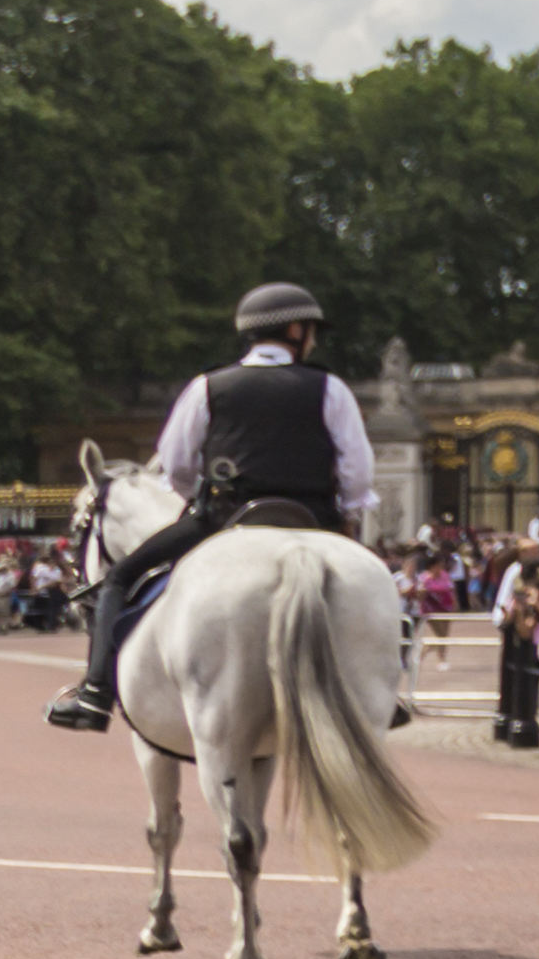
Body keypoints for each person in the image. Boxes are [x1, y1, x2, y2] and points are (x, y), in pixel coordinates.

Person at [45, 281, 379, 731]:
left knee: (119, 579)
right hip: (313, 521)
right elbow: (357, 470)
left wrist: (197, 500)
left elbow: (176, 464)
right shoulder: (330, 388)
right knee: (376, 589)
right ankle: (379, 691)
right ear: (296, 330)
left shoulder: (208, 386)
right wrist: (348, 516)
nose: (315, 340)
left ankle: (95, 695)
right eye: (313, 331)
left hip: (225, 518)